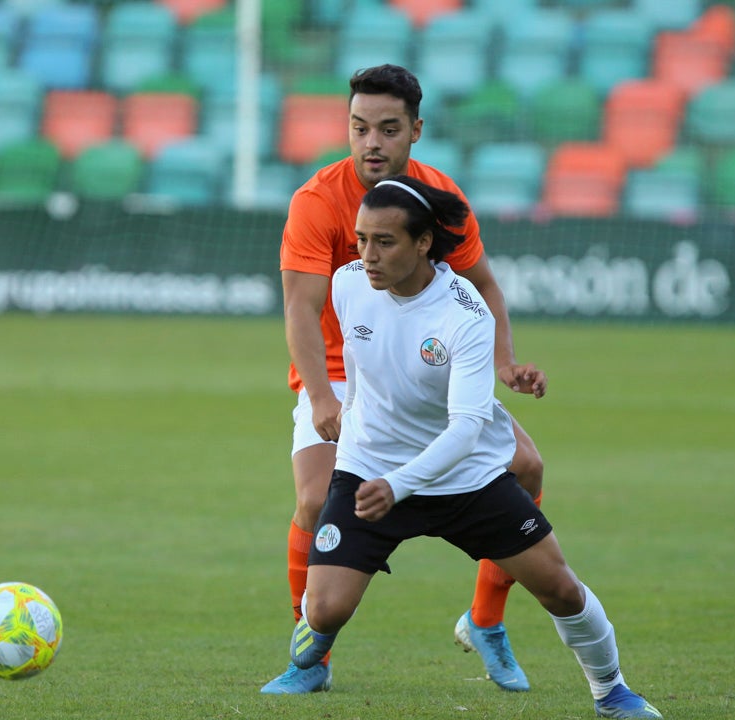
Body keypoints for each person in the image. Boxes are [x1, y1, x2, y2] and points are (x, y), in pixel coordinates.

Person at [279, 175, 663, 719]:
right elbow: (357, 363)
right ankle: (315, 637)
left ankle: (613, 691)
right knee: (324, 611)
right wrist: (353, 433)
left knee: (562, 591)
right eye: (361, 239)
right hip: (370, 470)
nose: (367, 255)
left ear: (423, 244)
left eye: (384, 242)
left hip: (465, 480)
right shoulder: (348, 284)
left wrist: (400, 484)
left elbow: (464, 431)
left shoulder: (464, 315)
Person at [263, 64, 547, 695]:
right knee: (314, 501)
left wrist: (504, 363)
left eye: (388, 129)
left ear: (415, 130)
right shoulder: (316, 202)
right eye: (360, 127)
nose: (372, 143)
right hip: (341, 374)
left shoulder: (441, 201)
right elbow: (300, 310)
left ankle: (486, 621)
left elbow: (485, 285)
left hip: (427, 371)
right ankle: (311, 657)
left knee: (527, 468)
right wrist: (318, 397)